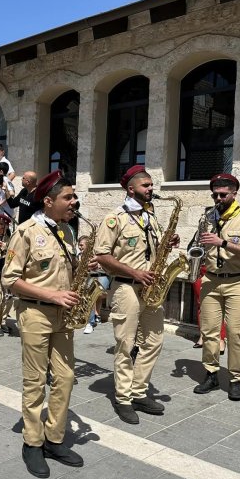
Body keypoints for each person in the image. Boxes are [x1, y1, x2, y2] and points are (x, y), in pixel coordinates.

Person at [1, 169, 84, 478]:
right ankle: (32, 443)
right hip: (35, 313)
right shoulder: (25, 232)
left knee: (65, 377)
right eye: (68, 197)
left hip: (63, 315)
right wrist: (52, 295)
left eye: (74, 196)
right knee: (35, 381)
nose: (74, 202)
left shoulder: (68, 231)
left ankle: (54, 439)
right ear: (48, 201)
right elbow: (9, 279)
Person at [94, 165, 178, 425]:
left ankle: (139, 392)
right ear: (131, 189)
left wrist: (167, 243)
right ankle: (123, 398)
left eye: (151, 185)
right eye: (146, 185)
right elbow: (101, 255)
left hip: (150, 287)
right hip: (126, 287)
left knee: (154, 341)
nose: (151, 189)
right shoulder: (115, 218)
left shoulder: (150, 216)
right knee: (126, 344)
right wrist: (134, 272)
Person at [193, 173, 240, 402]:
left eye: (223, 195)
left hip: (238, 281)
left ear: (234, 194)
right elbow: (199, 245)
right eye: (215, 195)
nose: (218, 199)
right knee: (209, 331)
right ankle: (211, 374)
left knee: (235, 333)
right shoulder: (207, 217)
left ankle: (235, 379)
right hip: (211, 279)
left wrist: (222, 242)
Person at [78, 235, 110, 335]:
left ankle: (96, 315)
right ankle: (90, 322)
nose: (79, 247)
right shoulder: (81, 255)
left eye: (81, 245)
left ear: (88, 245)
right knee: (90, 297)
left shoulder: (97, 253)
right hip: (90, 276)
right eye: (79, 245)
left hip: (102, 274)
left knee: (99, 295)